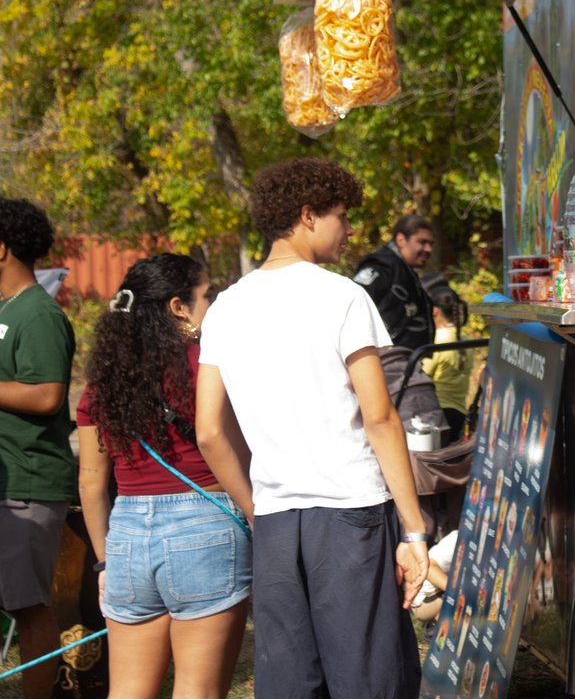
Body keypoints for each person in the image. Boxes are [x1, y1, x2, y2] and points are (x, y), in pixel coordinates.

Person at [194, 158, 429, 699]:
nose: (349, 231)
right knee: (369, 677)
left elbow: (209, 429)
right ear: (307, 216)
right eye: (341, 216)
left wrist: (256, 507)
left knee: (290, 681)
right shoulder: (341, 295)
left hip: (276, 519)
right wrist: (414, 530)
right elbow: (379, 417)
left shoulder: (225, 307)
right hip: (350, 513)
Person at [75, 253, 251, 698]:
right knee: (198, 691)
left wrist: (103, 562)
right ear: (178, 306)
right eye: (206, 295)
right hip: (206, 525)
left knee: (128, 692)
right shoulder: (206, 365)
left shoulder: (104, 380)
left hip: (126, 538)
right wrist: (258, 516)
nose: (213, 303)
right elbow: (228, 444)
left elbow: (92, 484)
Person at [0, 198, 75, 699]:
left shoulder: (38, 313)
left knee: (27, 606)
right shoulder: (6, 311)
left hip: (28, 483)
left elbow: (47, 394)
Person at [352, 214, 435, 351]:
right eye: (422, 242)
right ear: (401, 239)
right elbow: (354, 308)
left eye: (431, 244)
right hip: (387, 361)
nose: (428, 249)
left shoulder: (406, 272)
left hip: (407, 360)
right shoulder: (381, 268)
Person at [423, 285, 472, 438]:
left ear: (434, 311)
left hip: (438, 414)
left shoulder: (437, 340)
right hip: (460, 413)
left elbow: (422, 375)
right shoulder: (466, 339)